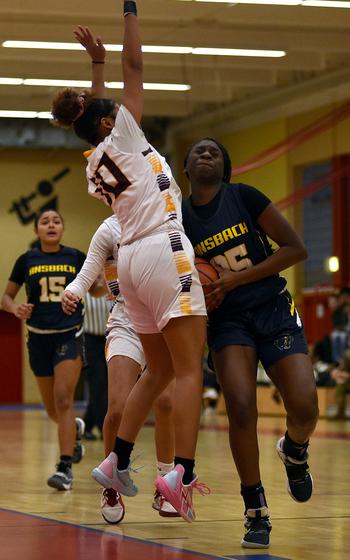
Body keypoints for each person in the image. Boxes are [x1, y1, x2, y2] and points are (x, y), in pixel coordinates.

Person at [51, 1, 208, 522]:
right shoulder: (124, 132)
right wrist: (130, 12)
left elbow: (90, 112)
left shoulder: (95, 160)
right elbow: (135, 68)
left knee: (159, 370)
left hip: (133, 263)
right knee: (189, 372)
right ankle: (179, 475)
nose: (120, 105)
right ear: (108, 120)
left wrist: (94, 66)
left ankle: (116, 461)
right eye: (111, 106)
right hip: (163, 247)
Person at [182, 138, 319, 547]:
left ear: (225, 166)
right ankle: (255, 507)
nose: (207, 154)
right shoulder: (180, 218)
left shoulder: (243, 197)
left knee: (305, 406)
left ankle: (294, 451)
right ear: (185, 169)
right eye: (198, 152)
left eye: (215, 151)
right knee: (240, 407)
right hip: (227, 321)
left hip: (271, 306)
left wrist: (236, 280)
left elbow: (296, 248)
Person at [62, 214, 180, 522]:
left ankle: (166, 483)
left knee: (166, 402)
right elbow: (88, 274)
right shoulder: (108, 228)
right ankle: (111, 483)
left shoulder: (169, 219)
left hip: (162, 318)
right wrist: (74, 290)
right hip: (126, 321)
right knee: (116, 408)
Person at [0, 210, 95, 491]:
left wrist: (102, 282)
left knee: (64, 400)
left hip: (68, 334)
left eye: (56, 221)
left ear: (62, 229)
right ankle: (74, 433)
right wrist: (16, 308)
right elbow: (6, 297)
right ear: (37, 231)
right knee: (53, 410)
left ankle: (64, 468)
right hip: (38, 338)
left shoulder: (76, 257)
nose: (51, 225)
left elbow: (98, 290)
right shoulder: (26, 260)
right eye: (45, 221)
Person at [83, 287, 110, 440]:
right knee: (97, 382)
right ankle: (103, 427)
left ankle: (87, 424)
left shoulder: (111, 290)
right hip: (90, 341)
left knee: (106, 384)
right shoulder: (84, 292)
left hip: (108, 339)